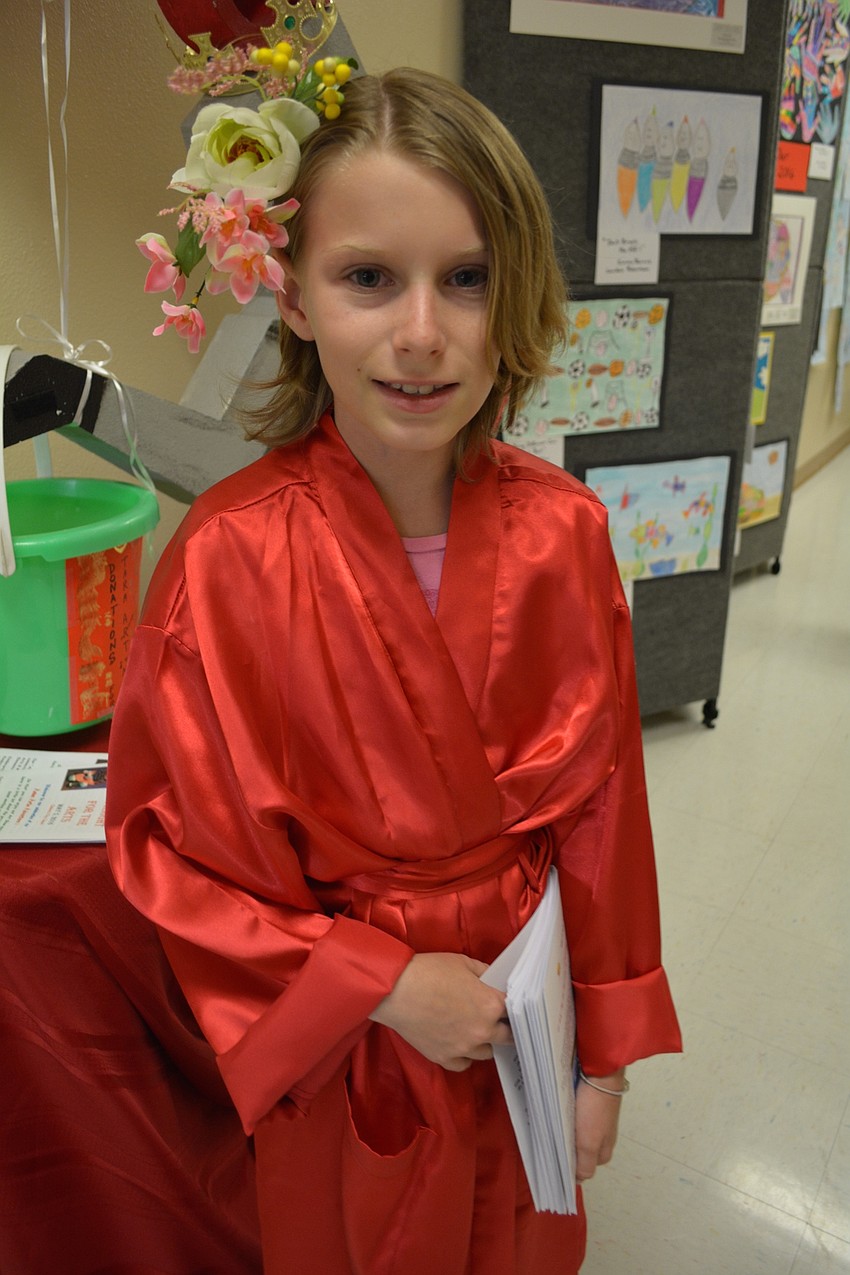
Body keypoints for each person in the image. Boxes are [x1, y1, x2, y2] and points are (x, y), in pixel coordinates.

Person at [107, 67, 681, 1274]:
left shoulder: (565, 535)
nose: (423, 333)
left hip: (530, 1019)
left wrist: (602, 1063)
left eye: (465, 279)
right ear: (296, 296)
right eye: (368, 277)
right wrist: (378, 982)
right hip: (351, 1039)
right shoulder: (225, 559)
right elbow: (170, 848)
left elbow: (603, 811)